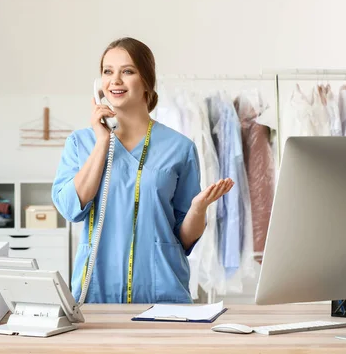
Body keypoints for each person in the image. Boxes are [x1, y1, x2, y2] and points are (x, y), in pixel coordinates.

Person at [52, 37, 233, 304]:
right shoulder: (80, 143)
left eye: (127, 71)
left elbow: (184, 239)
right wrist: (102, 141)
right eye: (107, 71)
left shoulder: (180, 148)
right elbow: (70, 208)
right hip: (97, 294)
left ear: (146, 80)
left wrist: (197, 209)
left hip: (163, 295)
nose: (115, 80)